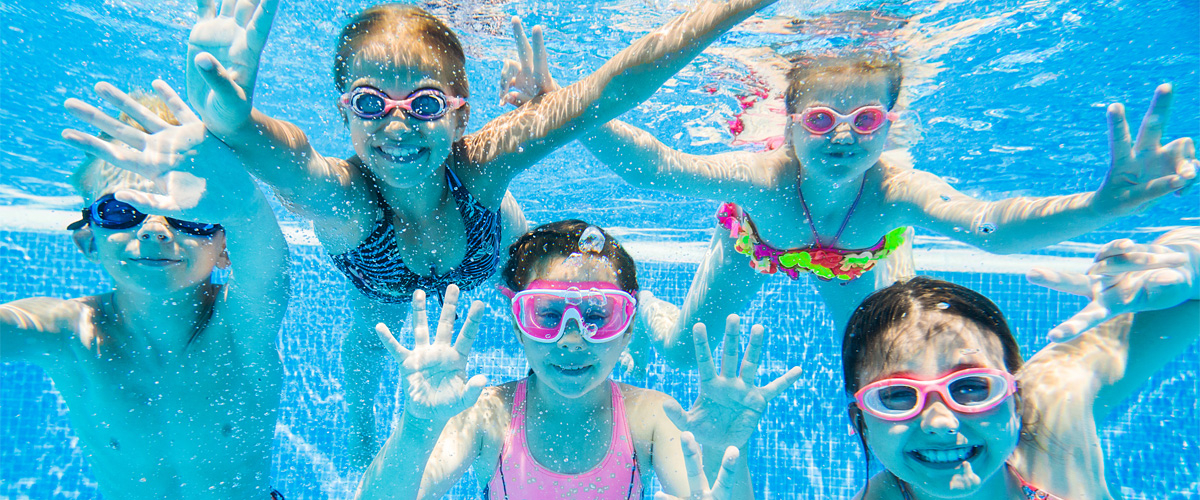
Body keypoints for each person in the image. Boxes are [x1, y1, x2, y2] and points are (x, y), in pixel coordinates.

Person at [179, 0, 789, 464]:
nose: (396, 125)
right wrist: (233, 118)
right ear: (344, 113)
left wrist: (732, 7)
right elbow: (290, 159)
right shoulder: (348, 201)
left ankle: (642, 317)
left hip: (496, 258)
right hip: (383, 299)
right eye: (369, 103)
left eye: (421, 104)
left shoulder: (481, 165)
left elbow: (606, 92)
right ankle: (363, 456)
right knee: (364, 377)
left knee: (573, 308)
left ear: (459, 113)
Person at [499, 28, 1199, 370]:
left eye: (865, 121)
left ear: (889, 125)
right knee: (682, 354)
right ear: (791, 122)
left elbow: (987, 227)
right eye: (821, 120)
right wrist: (560, 107)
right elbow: (656, 168)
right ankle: (642, 308)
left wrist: (1100, 206)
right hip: (758, 245)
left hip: (862, 259)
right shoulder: (765, 182)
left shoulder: (893, 190)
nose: (841, 138)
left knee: (890, 363)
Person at [355, 221, 804, 499]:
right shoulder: (484, 416)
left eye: (598, 316)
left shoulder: (652, 419)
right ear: (518, 324)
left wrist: (725, 448)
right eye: (548, 314)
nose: (572, 340)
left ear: (627, 329)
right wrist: (416, 428)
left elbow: (707, 493)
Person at [0, 81, 290, 498]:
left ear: (227, 249)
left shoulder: (241, 324)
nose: (155, 230)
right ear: (88, 240)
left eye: (189, 213)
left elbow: (269, 263)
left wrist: (238, 192)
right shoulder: (67, 332)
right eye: (122, 211)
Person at [840, 227, 1198, 499]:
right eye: (897, 395)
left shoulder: (1054, 406)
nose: (941, 422)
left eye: (971, 387)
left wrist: (1186, 266)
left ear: (1017, 397)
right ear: (861, 421)